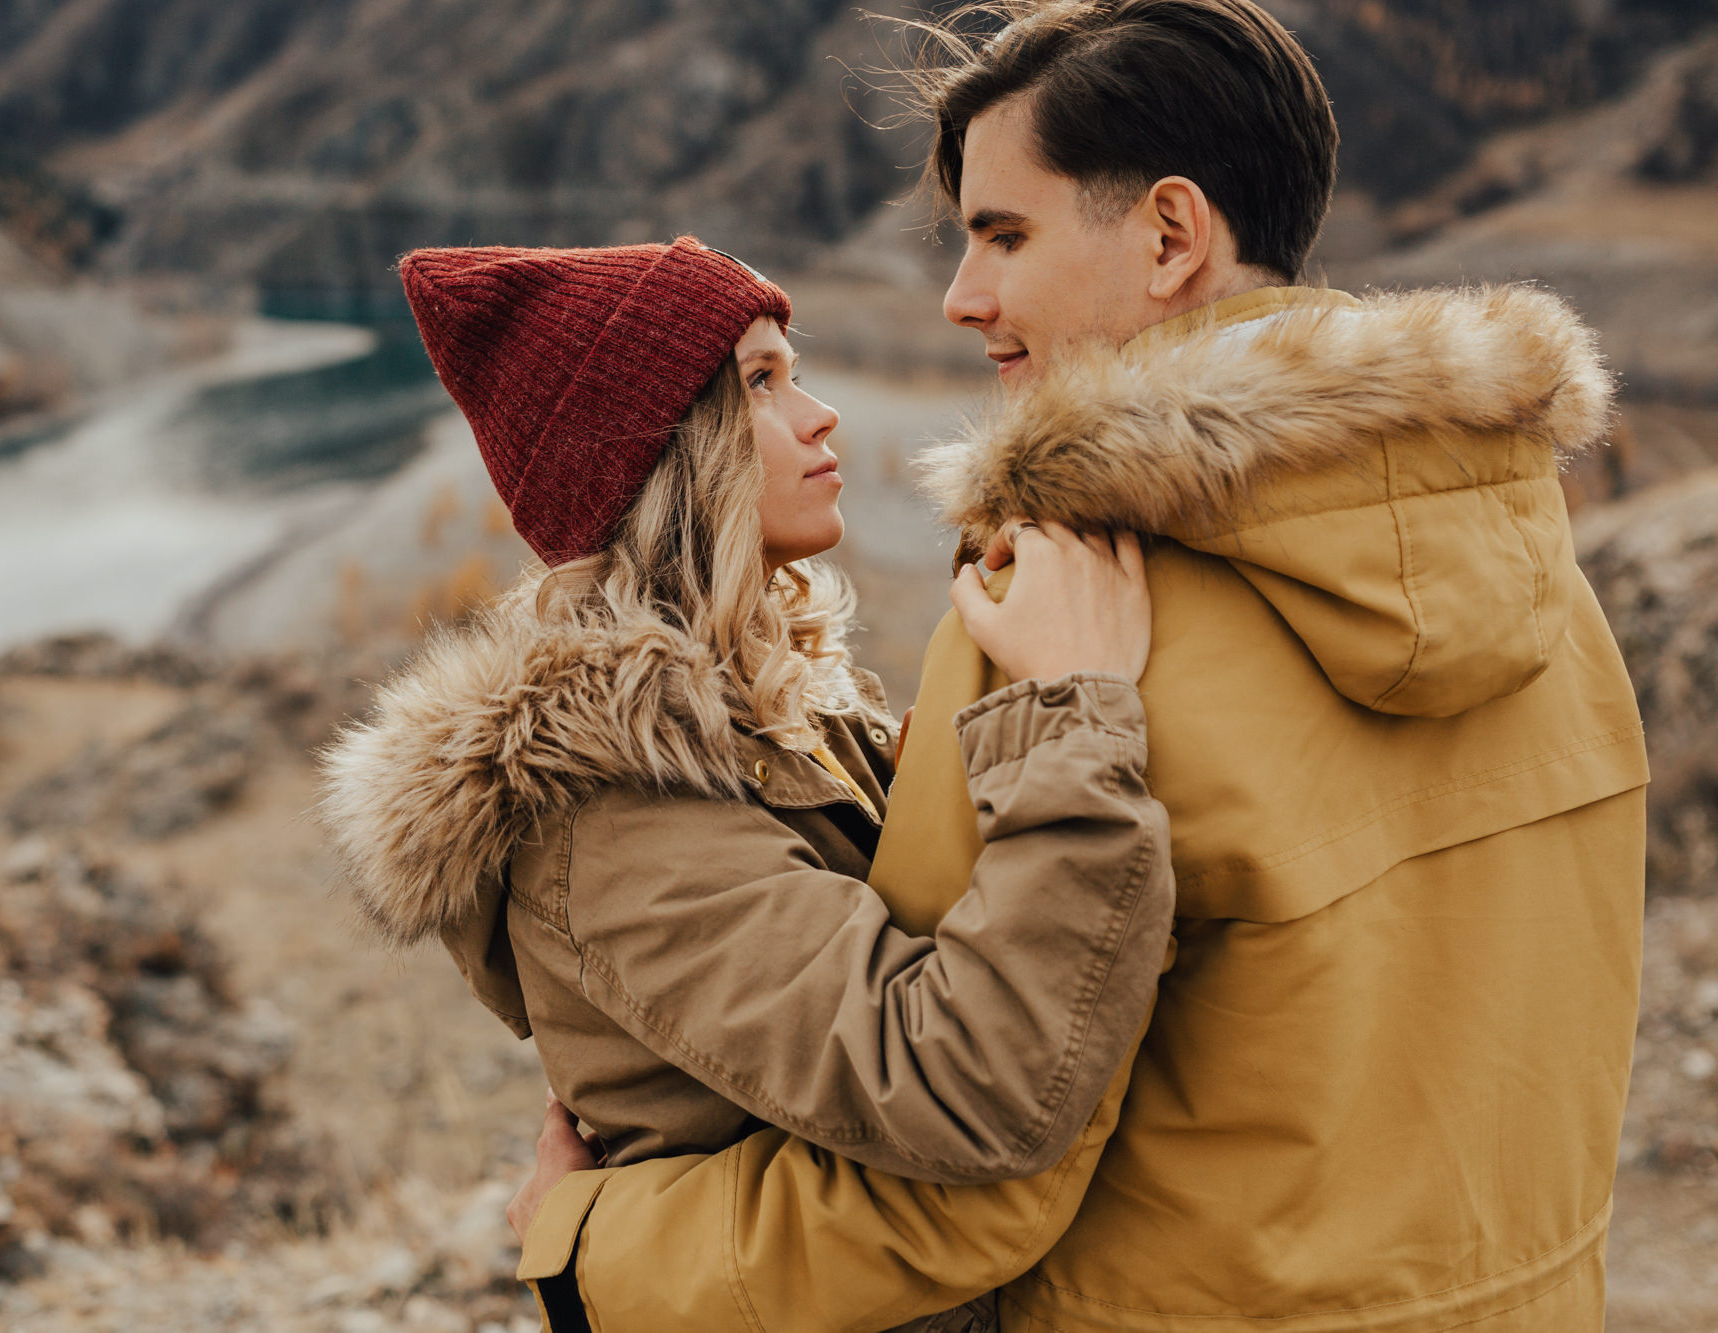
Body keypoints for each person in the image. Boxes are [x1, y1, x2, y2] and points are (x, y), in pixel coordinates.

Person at [507, 3, 1648, 1331]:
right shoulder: (1532, 564)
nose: (959, 297)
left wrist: (597, 1246)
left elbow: (963, 1165)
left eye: (1004, 235)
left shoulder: (1058, 618)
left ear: (1171, 235)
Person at [316, 237, 1176, 1329]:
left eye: (794, 371)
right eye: (760, 385)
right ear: (660, 456)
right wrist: (1068, 719)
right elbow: (964, 1085)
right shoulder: (617, 813)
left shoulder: (774, 720)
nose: (819, 417)